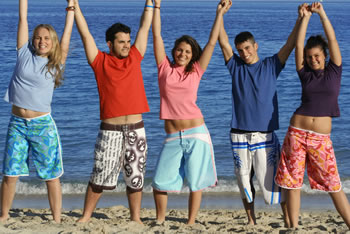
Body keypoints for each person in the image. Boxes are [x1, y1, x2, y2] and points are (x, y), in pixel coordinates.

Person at [217, 1, 304, 226]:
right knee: (244, 182)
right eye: (240, 50)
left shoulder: (271, 65)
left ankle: (287, 219)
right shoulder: (235, 67)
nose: (244, 53)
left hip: (265, 135)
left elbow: (290, 44)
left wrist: (301, 18)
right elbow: (222, 41)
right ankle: (251, 220)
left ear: (256, 46)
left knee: (273, 182)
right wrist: (220, 14)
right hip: (238, 134)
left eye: (247, 48)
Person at [151, 0, 231, 225]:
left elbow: (212, 42)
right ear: (173, 51)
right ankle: (159, 220)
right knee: (159, 181)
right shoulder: (164, 69)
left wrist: (219, 13)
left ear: (192, 54)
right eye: (179, 49)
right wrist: (156, 7)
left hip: (197, 133)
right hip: (172, 136)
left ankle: (191, 221)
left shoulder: (196, 71)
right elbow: (156, 36)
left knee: (196, 182)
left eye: (187, 51)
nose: (182, 53)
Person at [73, 0, 152, 224]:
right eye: (121, 42)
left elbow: (144, 27)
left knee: (135, 178)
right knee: (99, 176)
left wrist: (150, 5)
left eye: (128, 41)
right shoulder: (100, 61)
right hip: (110, 131)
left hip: (136, 129)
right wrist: (75, 7)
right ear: (110, 44)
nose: (127, 45)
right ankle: (86, 217)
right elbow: (85, 33)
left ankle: (135, 218)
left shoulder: (136, 56)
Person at [275, 2, 350, 229]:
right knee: (293, 183)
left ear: (325, 56)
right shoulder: (305, 74)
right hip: (297, 133)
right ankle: (294, 228)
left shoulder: (335, 71)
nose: (312, 60)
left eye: (316, 56)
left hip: (320, 139)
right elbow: (298, 44)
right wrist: (304, 17)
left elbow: (333, 39)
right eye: (309, 57)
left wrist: (321, 13)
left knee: (333, 183)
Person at [0, 0, 74, 223]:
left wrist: (71, 9)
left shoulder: (56, 62)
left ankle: (57, 219)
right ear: (32, 40)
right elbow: (23, 18)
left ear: (53, 42)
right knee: (10, 174)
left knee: (51, 176)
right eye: (38, 37)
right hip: (17, 124)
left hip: (42, 125)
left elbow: (68, 35)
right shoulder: (24, 53)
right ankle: (3, 215)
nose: (42, 41)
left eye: (46, 38)